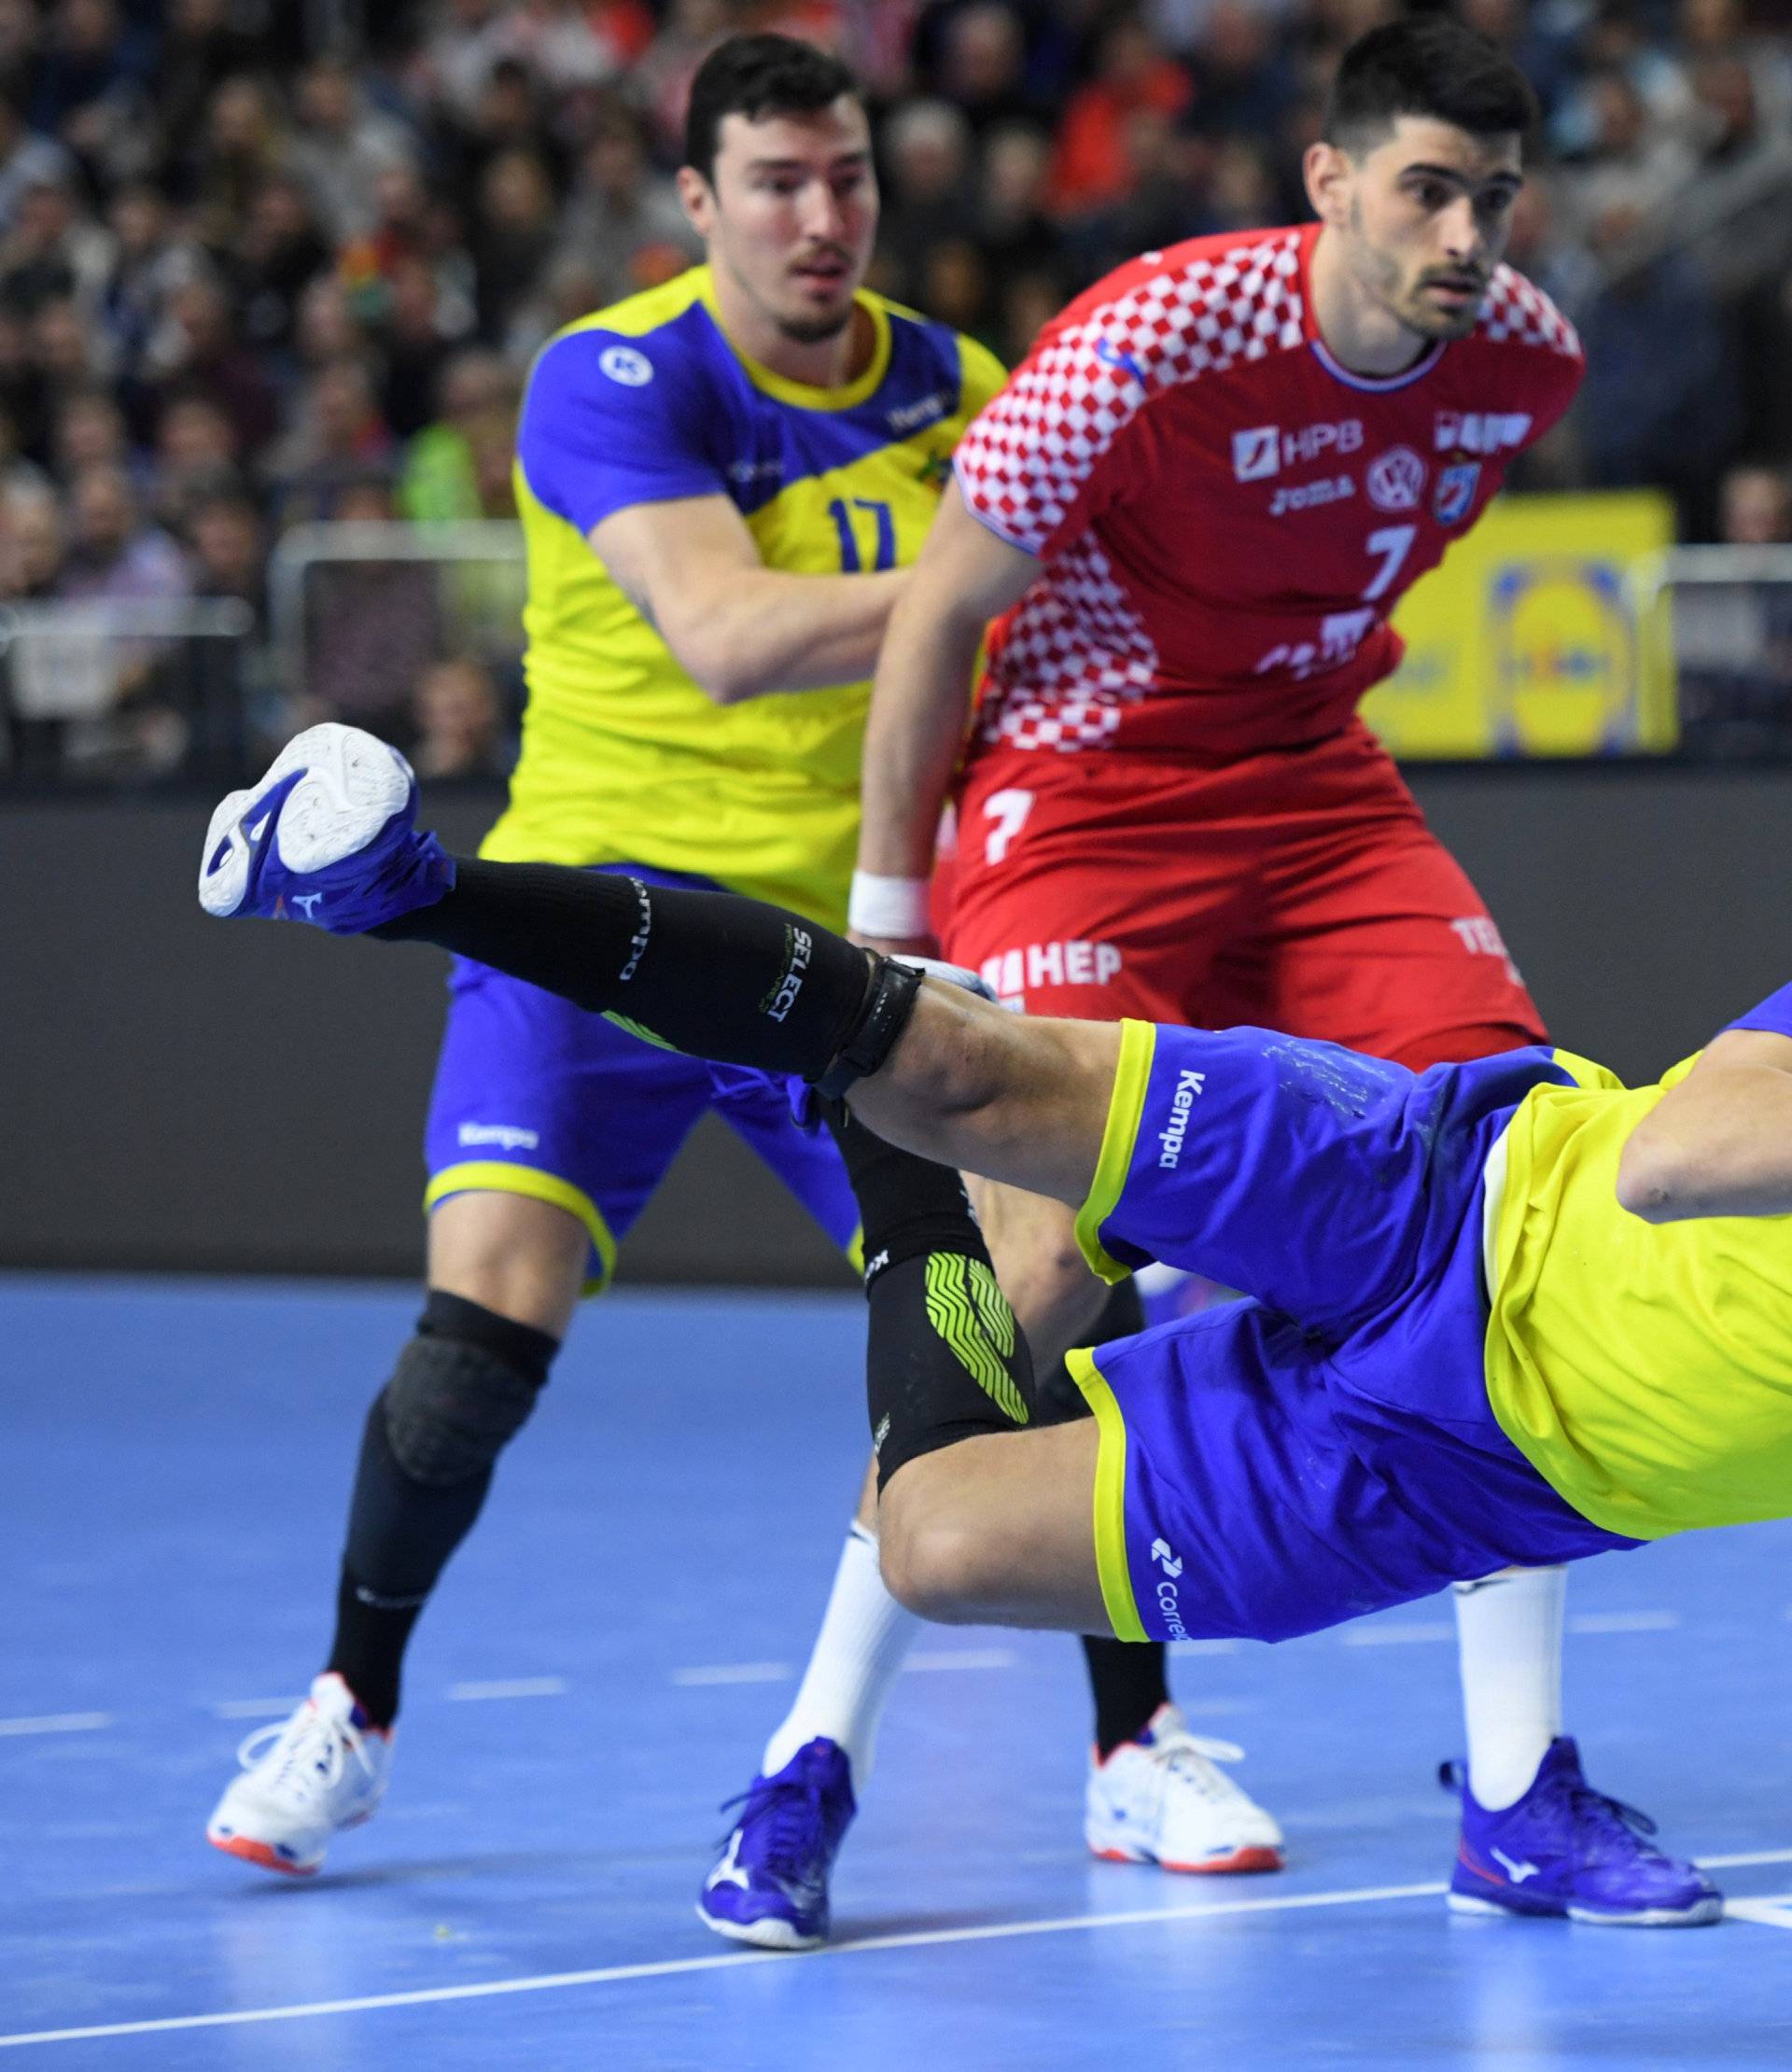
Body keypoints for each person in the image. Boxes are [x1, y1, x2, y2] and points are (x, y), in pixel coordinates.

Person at [199, 721, 1765, 1927]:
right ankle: (410, 888)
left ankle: (891, 1178)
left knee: (939, 1536)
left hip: (1457, 1479)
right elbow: (1685, 1154)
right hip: (1463, 1195)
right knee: (961, 1069)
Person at [836, 13, 1710, 1922]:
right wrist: (888, 932)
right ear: (1328, 182)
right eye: (1426, 188)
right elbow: (936, 624)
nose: (1467, 231)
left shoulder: (1523, 366)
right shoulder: (1148, 341)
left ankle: (1516, 1798)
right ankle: (818, 1747)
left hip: (1313, 793)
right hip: (1080, 781)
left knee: (1515, 1201)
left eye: (1494, 194)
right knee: (1045, 1264)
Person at [198, 35, 1003, 1947]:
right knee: (478, 1337)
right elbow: (724, 640)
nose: (823, 217)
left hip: (843, 955)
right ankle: (350, 1709)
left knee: (1017, 1316)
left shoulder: (961, 392)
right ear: (697, 204)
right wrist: (995, 571)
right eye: (779, 184)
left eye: (850, 177)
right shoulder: (613, 375)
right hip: (600, 935)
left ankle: (1137, 1745)